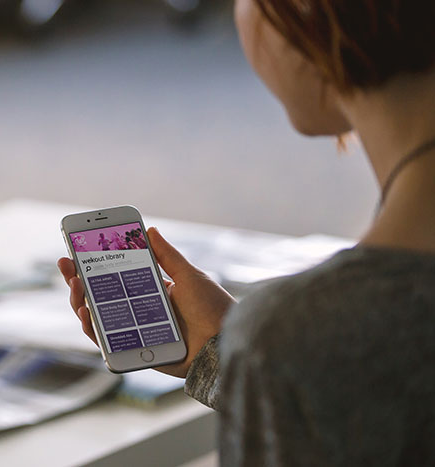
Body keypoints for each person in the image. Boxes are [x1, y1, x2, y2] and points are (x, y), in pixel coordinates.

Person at [58, 0, 435, 464]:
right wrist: (225, 354)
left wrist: (268, 352)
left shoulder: (299, 335)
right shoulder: (294, 342)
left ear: (309, 12)